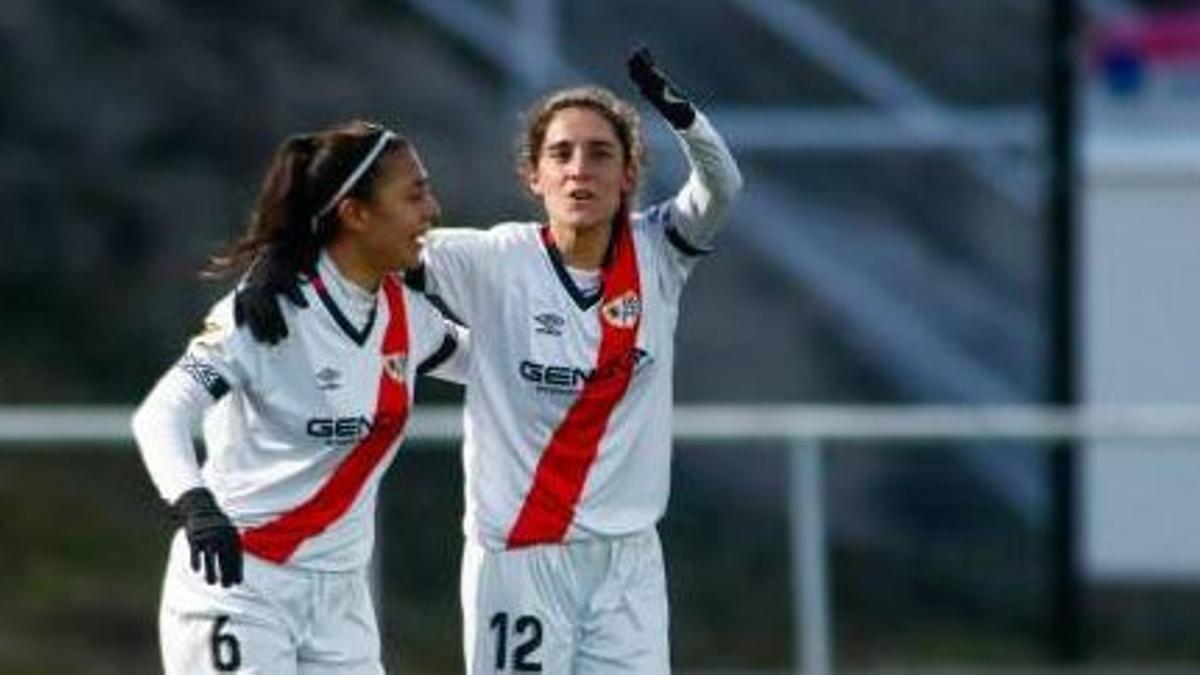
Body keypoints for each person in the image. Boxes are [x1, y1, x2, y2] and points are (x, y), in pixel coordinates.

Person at [416, 47, 743, 674]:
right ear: (533, 177)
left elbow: (723, 186)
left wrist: (680, 113)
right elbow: (374, 262)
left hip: (627, 562)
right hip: (521, 557)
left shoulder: (659, 254)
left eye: (600, 153)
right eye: (560, 154)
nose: (579, 170)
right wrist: (458, 357)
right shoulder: (493, 260)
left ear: (628, 175)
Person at [131, 119, 465, 674]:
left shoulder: (408, 315)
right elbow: (162, 413)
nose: (432, 208)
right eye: (414, 193)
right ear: (355, 214)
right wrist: (196, 505)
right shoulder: (264, 313)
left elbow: (495, 367)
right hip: (240, 582)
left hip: (340, 600)